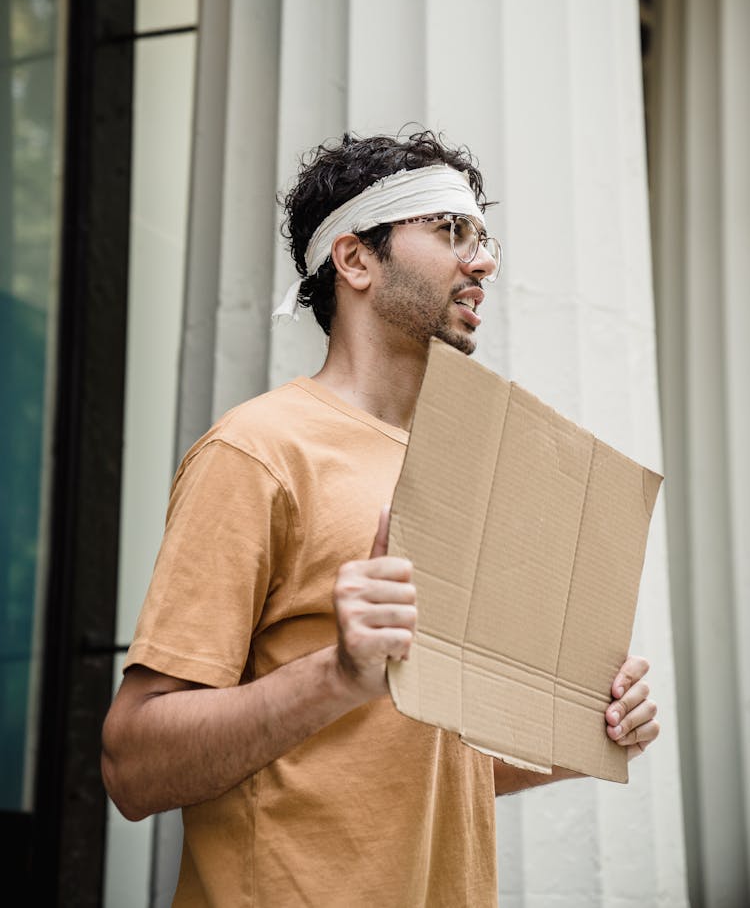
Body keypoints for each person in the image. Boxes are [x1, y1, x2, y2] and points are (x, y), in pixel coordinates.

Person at [101, 130, 659, 907]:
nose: (484, 262)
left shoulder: (460, 470)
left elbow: (411, 761)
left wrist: (582, 734)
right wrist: (338, 673)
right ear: (355, 258)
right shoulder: (258, 450)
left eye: (483, 237)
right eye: (449, 230)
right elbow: (131, 765)